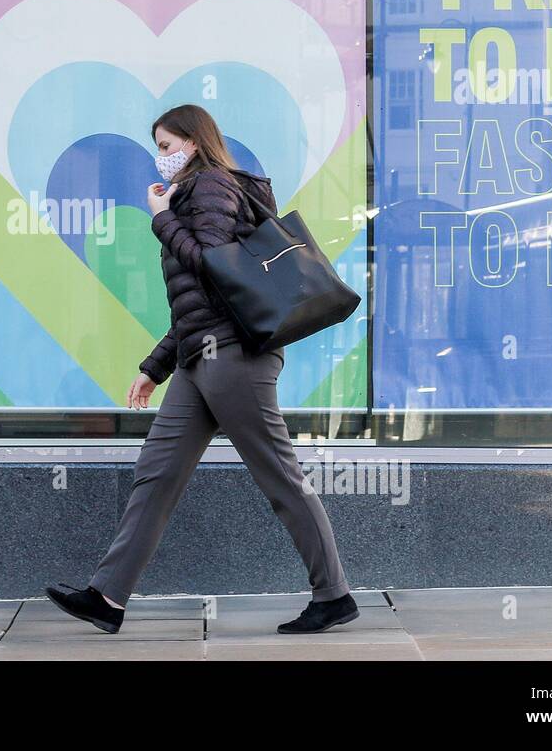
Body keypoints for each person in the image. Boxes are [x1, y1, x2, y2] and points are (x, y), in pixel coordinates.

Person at [45, 103, 358, 635]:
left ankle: (334, 595)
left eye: (166, 147)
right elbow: (199, 303)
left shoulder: (210, 185)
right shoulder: (194, 191)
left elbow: (213, 264)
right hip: (201, 355)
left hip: (234, 355)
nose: (160, 158)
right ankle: (107, 597)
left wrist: (161, 220)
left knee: (279, 475)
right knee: (157, 472)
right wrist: (155, 368)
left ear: (193, 143)